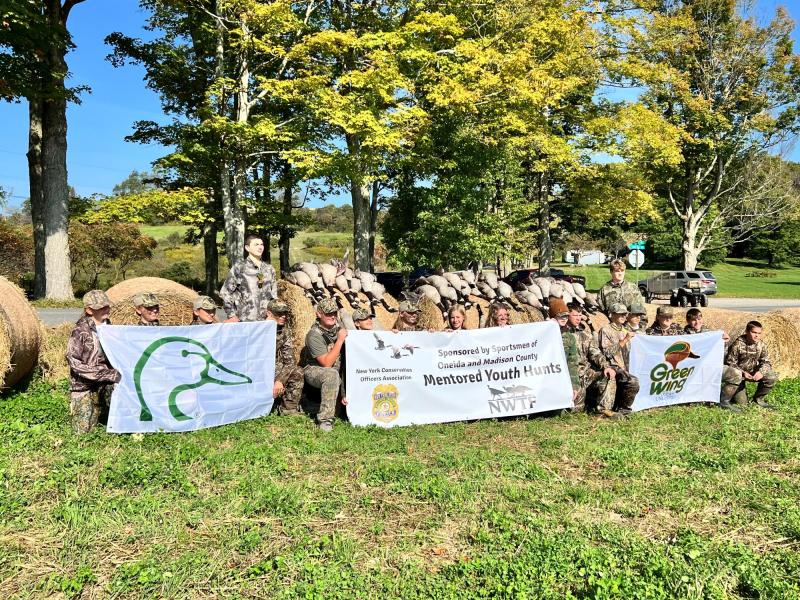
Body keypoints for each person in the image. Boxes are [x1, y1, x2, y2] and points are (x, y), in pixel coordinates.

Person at [65, 290, 122, 435]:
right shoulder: (80, 330)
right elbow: (74, 361)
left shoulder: (110, 327)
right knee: (83, 432)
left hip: (106, 383)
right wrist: (105, 375)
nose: (106, 309)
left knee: (118, 422)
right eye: (101, 307)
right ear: (89, 310)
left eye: (107, 306)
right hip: (84, 385)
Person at [302, 298, 348, 431]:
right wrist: (339, 341)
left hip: (337, 369)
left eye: (334, 313)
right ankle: (325, 420)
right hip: (315, 370)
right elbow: (326, 364)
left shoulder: (339, 330)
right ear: (319, 314)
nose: (332, 316)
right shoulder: (314, 335)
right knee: (331, 374)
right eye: (328, 313)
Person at [566, 303, 616, 413]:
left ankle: (604, 411)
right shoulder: (560, 333)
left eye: (580, 315)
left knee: (608, 376)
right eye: (575, 315)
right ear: (567, 315)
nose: (578, 318)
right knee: (574, 411)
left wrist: (605, 366)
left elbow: (596, 353)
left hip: (586, 373)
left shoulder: (585, 335)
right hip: (571, 376)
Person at [219, 234, 277, 323]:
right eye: (256, 245)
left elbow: (274, 296)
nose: (260, 247)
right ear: (247, 248)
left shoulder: (269, 269)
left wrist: (273, 315)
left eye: (261, 244)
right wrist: (232, 315)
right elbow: (225, 293)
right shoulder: (239, 268)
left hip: (266, 321)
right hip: (245, 320)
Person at [722, 321, 778, 412]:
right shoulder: (738, 344)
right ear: (746, 331)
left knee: (772, 376)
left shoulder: (761, 345)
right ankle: (730, 392)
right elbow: (729, 363)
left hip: (752, 372)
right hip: (738, 376)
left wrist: (760, 372)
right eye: (754, 332)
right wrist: (743, 374)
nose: (757, 335)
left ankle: (758, 400)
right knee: (742, 403)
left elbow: (766, 362)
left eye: (759, 333)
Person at [597, 303, 640, 418]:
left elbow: (627, 355)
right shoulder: (605, 330)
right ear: (612, 315)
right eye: (620, 314)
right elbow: (607, 353)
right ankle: (605, 411)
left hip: (623, 367)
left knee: (633, 382)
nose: (623, 316)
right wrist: (624, 340)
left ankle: (623, 409)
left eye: (625, 314)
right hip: (610, 366)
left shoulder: (626, 331)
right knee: (630, 380)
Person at [266, 300, 304, 416]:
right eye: (278, 313)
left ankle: (288, 409)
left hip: (272, 367)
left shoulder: (284, 332)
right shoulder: (256, 328)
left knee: (297, 371)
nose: (283, 316)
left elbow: (289, 361)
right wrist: (266, 327)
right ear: (269, 314)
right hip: (254, 368)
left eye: (285, 313)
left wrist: (279, 380)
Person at [597, 259, 648, 327]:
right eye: (617, 271)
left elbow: (641, 308)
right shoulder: (605, 290)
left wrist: (642, 327)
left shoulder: (633, 288)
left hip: (632, 328)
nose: (620, 273)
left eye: (622, 271)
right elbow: (601, 312)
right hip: (614, 329)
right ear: (611, 272)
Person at [549, 299, 580, 405]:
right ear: (553, 317)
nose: (564, 319)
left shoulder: (569, 337)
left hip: (562, 377)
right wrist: (547, 326)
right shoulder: (543, 333)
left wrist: (574, 386)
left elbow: (573, 364)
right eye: (560, 316)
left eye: (566, 316)